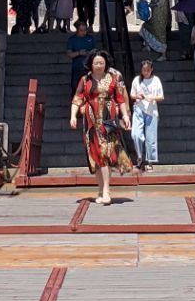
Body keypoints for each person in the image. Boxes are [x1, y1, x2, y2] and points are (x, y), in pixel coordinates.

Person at [70, 51, 132, 204]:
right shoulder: (85, 80)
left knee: (105, 152)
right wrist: (73, 116)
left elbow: (120, 99)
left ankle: (106, 191)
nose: (99, 66)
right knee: (95, 155)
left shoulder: (112, 78)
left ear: (106, 64)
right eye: (96, 63)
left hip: (108, 119)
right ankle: (100, 189)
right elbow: (77, 99)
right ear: (91, 64)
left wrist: (125, 115)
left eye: (101, 63)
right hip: (91, 121)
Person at [129, 58, 164, 169]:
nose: (146, 72)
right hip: (139, 109)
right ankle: (139, 157)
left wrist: (152, 98)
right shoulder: (137, 80)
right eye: (144, 70)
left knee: (151, 138)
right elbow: (132, 94)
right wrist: (137, 96)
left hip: (151, 110)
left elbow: (161, 96)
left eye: (148, 70)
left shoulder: (156, 80)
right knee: (136, 134)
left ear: (151, 69)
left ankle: (150, 161)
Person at [68, 25, 98, 89]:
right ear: (77, 30)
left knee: (89, 87)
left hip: (89, 68)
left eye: (85, 30)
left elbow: (95, 52)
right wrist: (79, 53)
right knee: (75, 87)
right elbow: (69, 54)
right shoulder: (72, 39)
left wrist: (89, 53)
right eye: (81, 30)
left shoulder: (91, 38)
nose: (83, 32)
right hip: (77, 68)